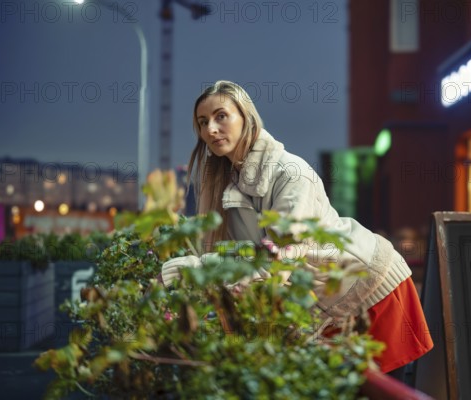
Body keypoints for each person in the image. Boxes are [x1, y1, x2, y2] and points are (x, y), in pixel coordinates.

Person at [161, 80, 433, 380]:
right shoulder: (230, 185)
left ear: (246, 117)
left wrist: (190, 272)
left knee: (379, 392)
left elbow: (277, 263)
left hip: (370, 290)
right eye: (203, 122)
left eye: (221, 116)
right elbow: (241, 257)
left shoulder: (291, 174)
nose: (211, 129)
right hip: (322, 302)